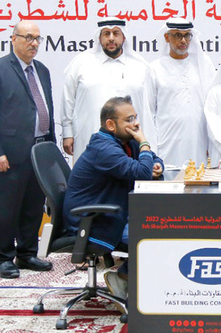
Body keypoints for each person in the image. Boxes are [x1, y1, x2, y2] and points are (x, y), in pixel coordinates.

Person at [63, 96, 164, 298]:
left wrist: (157, 165)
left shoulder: (124, 141)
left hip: (112, 213)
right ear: (110, 124)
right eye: (129, 120)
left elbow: (151, 160)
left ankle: (128, 279)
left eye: (135, 117)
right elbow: (142, 172)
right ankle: (123, 277)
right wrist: (144, 143)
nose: (135, 124)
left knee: (165, 225)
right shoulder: (104, 149)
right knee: (156, 234)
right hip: (91, 221)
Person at [0, 20, 54, 279]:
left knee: (33, 205)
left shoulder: (42, 70)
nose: (34, 43)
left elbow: (46, 109)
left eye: (37, 39)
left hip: (39, 151)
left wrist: (51, 148)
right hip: (8, 153)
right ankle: (2, 258)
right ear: (13, 39)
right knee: (4, 207)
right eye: (28, 37)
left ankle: (27, 253)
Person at [61, 18, 154, 164]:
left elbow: (148, 110)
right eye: (106, 34)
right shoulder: (81, 62)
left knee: (127, 172)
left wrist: (148, 142)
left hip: (129, 138)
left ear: (123, 37)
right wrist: (67, 133)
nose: (111, 38)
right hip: (89, 134)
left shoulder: (140, 66)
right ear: (99, 38)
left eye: (116, 33)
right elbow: (68, 99)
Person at [147, 19, 216, 167]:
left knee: (196, 178)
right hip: (166, 142)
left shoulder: (203, 64)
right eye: (178, 35)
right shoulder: (155, 68)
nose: (183, 40)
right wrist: (151, 148)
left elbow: (213, 107)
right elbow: (149, 112)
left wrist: (212, 144)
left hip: (198, 141)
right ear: (167, 37)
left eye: (187, 35)